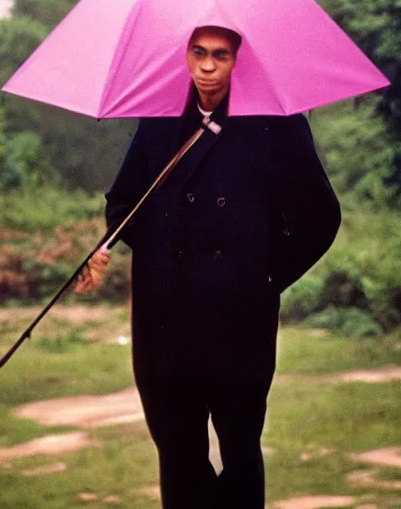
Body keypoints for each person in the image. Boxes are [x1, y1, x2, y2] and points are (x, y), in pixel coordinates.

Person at [75, 25, 341, 509]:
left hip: (238, 317)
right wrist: (111, 245)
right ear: (186, 56)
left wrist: (263, 277)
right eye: (198, 53)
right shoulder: (159, 120)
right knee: (177, 453)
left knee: (240, 450)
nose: (207, 66)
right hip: (165, 316)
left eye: (220, 55)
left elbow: (320, 216)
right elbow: (123, 202)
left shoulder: (274, 124)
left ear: (238, 60)